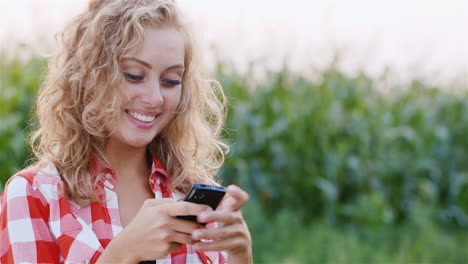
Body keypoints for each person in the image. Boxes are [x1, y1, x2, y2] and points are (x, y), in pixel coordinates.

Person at [0, 0, 252, 263]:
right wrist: (124, 253)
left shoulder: (192, 198)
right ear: (88, 75)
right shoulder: (35, 195)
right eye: (134, 75)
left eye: (170, 81)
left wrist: (240, 257)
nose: (155, 98)